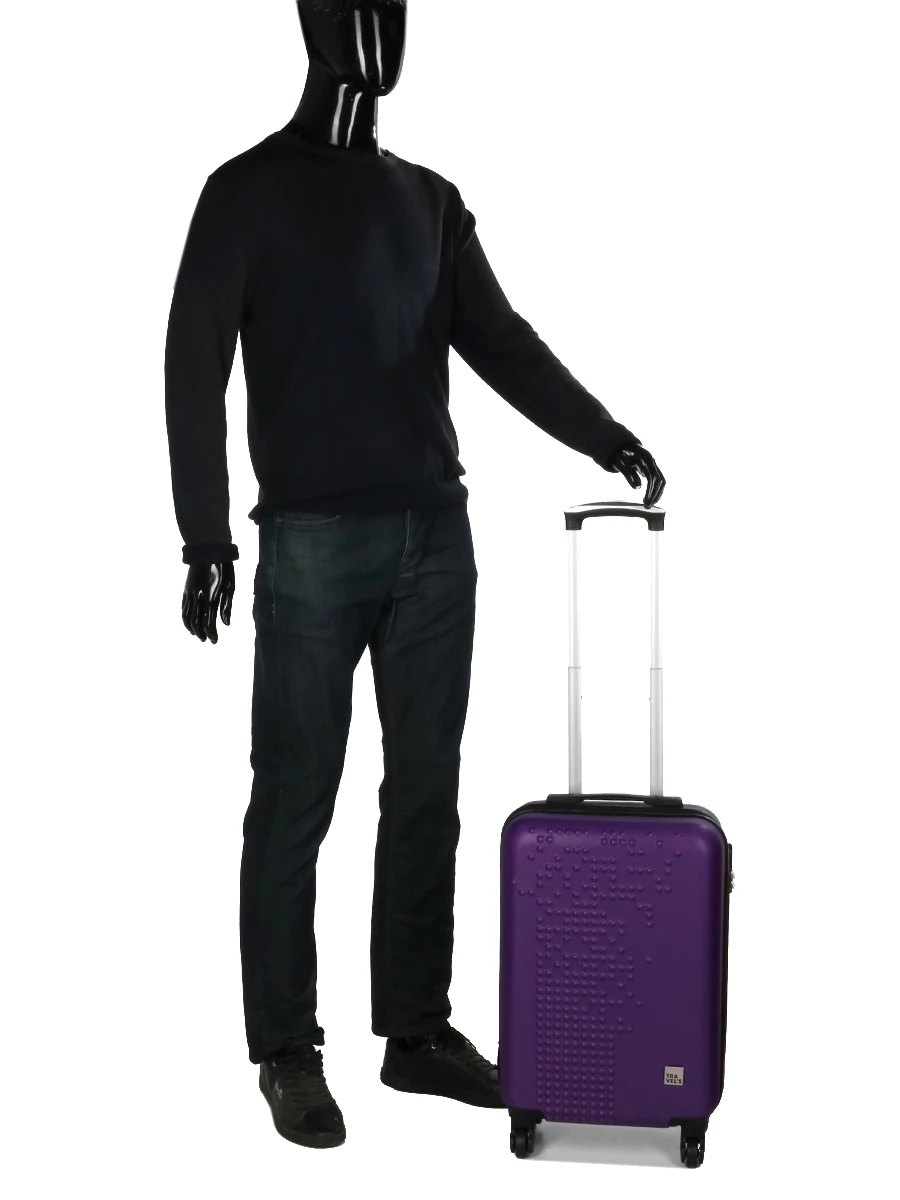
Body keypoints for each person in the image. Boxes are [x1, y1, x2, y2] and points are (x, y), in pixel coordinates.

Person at [164, 0, 665, 1149]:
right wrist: (205, 539)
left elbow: (502, 342)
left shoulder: (430, 202)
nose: (381, 27)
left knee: (427, 794)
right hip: (310, 545)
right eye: (356, 4)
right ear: (309, 20)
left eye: (397, 6)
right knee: (296, 800)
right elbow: (192, 367)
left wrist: (605, 435)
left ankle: (416, 1032)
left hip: (437, 542)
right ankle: (286, 1049)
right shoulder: (243, 193)